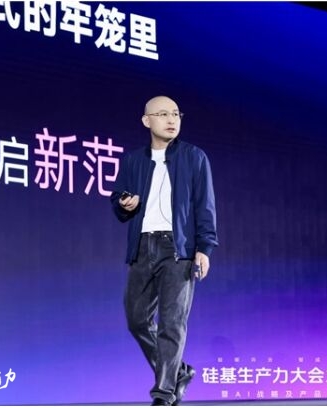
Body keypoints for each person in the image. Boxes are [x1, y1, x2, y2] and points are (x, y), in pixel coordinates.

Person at [111, 96, 218, 406]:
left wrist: (204, 248)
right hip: (142, 247)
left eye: (175, 114)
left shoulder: (194, 157)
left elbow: (205, 206)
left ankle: (163, 393)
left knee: (172, 324)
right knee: (137, 320)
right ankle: (178, 371)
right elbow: (117, 201)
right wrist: (124, 203)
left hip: (178, 249)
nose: (171, 119)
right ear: (147, 121)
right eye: (162, 114)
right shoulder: (133, 160)